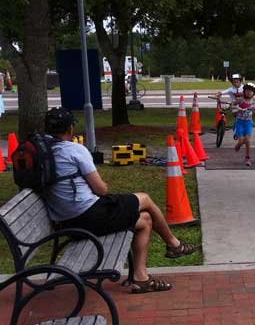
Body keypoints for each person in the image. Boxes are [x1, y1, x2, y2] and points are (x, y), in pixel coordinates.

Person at [40, 108, 199, 294]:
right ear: (70, 128)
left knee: (145, 220)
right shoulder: (74, 150)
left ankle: (141, 278)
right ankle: (174, 245)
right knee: (145, 199)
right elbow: (101, 190)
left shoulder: (43, 152)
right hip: (88, 217)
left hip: (65, 221)